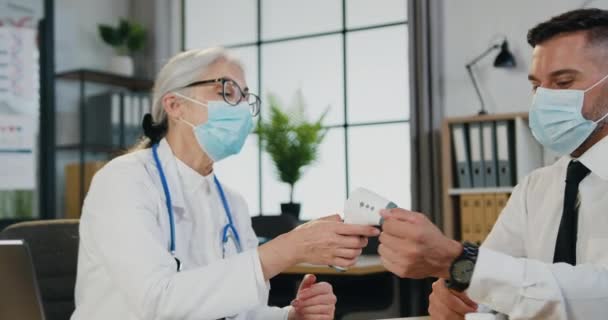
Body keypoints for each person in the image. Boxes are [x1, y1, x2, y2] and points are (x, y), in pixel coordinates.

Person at [71, 47, 380, 320]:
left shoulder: (231, 202)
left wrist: (290, 316)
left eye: (245, 97)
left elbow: (238, 309)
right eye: (227, 92)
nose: (242, 108)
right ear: (175, 105)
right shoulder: (123, 180)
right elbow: (157, 302)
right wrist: (290, 247)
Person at [377, 8, 608, 320]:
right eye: (536, 86)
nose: (543, 100)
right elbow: (489, 280)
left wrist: (459, 261)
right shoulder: (535, 187)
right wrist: (455, 292)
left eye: (563, 82)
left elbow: (599, 295)